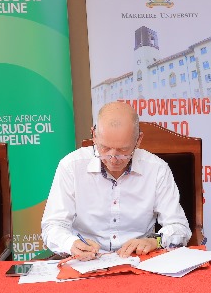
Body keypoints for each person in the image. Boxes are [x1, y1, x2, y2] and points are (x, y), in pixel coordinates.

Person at [41, 101, 190, 260]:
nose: (113, 158)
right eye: (104, 148)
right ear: (94, 135)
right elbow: (52, 226)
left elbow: (180, 228)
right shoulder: (71, 166)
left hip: (140, 261)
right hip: (86, 262)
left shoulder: (157, 169)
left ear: (138, 140)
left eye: (123, 150)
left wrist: (155, 241)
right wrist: (71, 243)